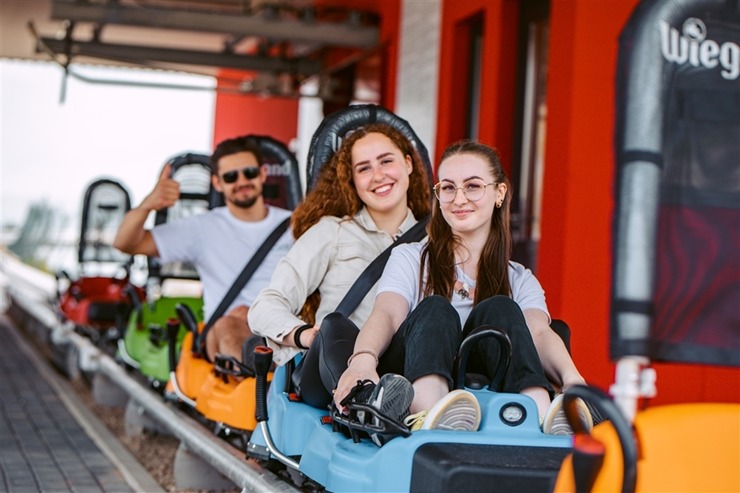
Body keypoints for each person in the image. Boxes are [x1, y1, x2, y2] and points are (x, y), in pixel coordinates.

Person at [333, 139, 594, 442]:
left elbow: (537, 333)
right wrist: (363, 359)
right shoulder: (410, 257)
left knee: (502, 308)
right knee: (436, 308)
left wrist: (574, 380)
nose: (459, 199)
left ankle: (537, 414)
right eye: (448, 188)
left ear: (499, 193)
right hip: (412, 379)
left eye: (472, 186)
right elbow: (388, 314)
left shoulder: (520, 278)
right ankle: (428, 414)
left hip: (491, 392)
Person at [248, 123, 431, 411]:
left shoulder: (438, 242)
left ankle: (407, 407)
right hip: (333, 365)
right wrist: (305, 334)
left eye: (386, 161)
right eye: (364, 168)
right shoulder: (331, 232)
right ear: (353, 181)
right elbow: (264, 306)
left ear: (408, 164)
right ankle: (363, 404)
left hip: (404, 369)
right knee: (334, 324)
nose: (379, 175)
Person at [113, 135, 294, 363]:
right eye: (230, 176)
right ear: (218, 183)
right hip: (227, 331)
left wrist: (262, 316)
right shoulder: (201, 227)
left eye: (249, 173)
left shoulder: (296, 223)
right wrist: (148, 205)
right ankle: (261, 377)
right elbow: (125, 243)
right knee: (227, 326)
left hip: (284, 328)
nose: (242, 181)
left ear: (263, 174)